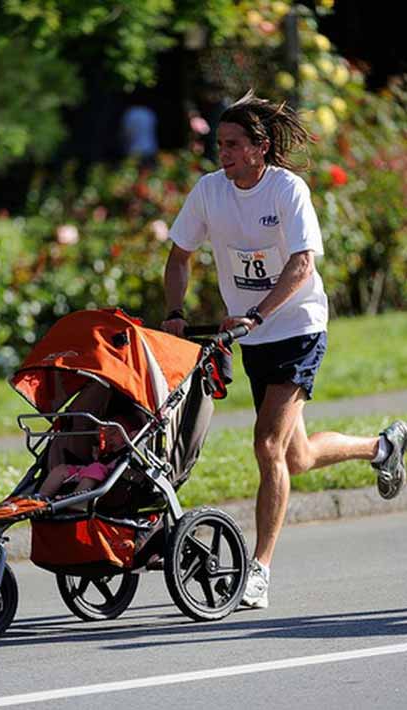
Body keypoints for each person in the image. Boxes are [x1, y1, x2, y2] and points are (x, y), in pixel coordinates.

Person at [161, 89, 407, 610]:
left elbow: (301, 266)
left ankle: (260, 569)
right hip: (252, 336)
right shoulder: (209, 192)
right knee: (295, 458)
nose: (221, 153)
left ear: (260, 147)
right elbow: (179, 255)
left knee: (266, 446)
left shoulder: (286, 190)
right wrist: (175, 313)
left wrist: (257, 313)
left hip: (298, 328)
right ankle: (383, 447)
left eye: (231, 144)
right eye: (219, 144)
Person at [39, 414, 137, 499]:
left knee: (96, 468)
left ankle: (77, 502)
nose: (110, 436)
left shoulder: (128, 447)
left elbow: (136, 436)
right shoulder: (105, 450)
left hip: (112, 477)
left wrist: (133, 437)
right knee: (61, 469)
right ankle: (41, 497)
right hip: (90, 472)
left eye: (114, 433)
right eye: (108, 433)